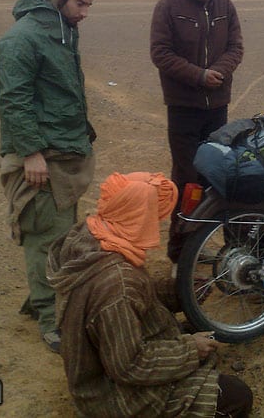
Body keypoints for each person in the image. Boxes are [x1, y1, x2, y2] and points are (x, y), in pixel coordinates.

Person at [47, 172, 253, 417]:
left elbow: (137, 298)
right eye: (150, 215)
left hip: (102, 366)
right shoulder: (117, 284)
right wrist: (190, 349)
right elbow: (129, 366)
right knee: (237, 397)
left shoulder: (97, 236)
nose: (156, 223)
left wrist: (179, 291)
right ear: (137, 216)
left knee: (189, 337)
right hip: (113, 396)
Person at [0, 0, 98, 353]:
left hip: (65, 150)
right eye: (80, 3)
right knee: (45, 238)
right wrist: (31, 153)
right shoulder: (22, 40)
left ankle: (40, 300)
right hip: (41, 157)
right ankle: (50, 319)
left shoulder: (61, 30)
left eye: (89, 4)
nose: (85, 12)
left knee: (60, 231)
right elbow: (13, 101)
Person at [150, 0, 244, 265]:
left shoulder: (225, 6)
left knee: (220, 175)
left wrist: (220, 71)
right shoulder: (169, 7)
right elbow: (160, 53)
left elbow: (236, 47)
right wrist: (198, 76)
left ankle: (234, 249)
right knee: (188, 180)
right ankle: (180, 251)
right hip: (183, 109)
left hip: (217, 107)